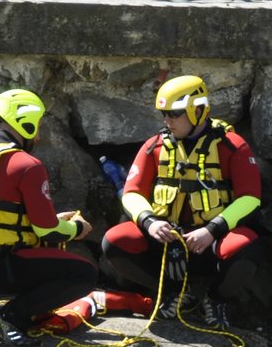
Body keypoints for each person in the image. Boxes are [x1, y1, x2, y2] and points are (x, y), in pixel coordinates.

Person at [100, 75, 262, 327]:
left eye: (174, 114)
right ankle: (172, 293)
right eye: (164, 114)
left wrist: (211, 230)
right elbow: (131, 193)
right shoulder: (154, 146)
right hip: (165, 241)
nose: (167, 121)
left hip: (209, 241)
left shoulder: (232, 146)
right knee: (114, 241)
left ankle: (216, 298)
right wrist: (150, 222)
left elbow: (250, 198)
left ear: (197, 111)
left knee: (247, 248)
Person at [0, 89, 96, 347]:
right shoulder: (27, 164)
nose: (37, 134)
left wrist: (50, 219)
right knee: (85, 273)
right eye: (37, 126)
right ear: (26, 123)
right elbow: (47, 231)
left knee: (2, 248)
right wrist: (76, 228)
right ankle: (9, 317)